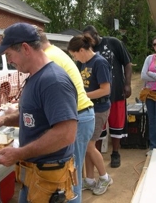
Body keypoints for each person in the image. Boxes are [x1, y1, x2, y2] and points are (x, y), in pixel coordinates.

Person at [0, 22, 78, 203]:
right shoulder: (36, 76)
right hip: (36, 177)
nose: (9, 61)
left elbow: (66, 134)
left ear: (25, 48)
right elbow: (33, 118)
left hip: (48, 180)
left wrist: (18, 153)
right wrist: (2, 120)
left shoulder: (53, 81)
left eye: (9, 54)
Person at [37, 27, 95, 203]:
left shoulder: (49, 57)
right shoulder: (53, 52)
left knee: (71, 173)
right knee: (73, 171)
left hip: (78, 117)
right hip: (80, 115)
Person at [68, 34, 113, 196]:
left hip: (99, 108)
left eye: (74, 54)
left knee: (88, 146)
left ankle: (105, 177)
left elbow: (105, 89)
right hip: (87, 108)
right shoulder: (83, 63)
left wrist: (83, 96)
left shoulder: (100, 63)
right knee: (86, 145)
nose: (74, 58)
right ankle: (89, 180)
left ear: (82, 49)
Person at [82, 25, 132, 168]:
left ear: (96, 35)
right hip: (96, 97)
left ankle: (115, 153)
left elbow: (127, 63)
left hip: (116, 91)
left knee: (117, 124)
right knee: (98, 127)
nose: (88, 42)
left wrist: (127, 84)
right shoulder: (85, 50)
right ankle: (95, 153)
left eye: (89, 39)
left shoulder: (113, 43)